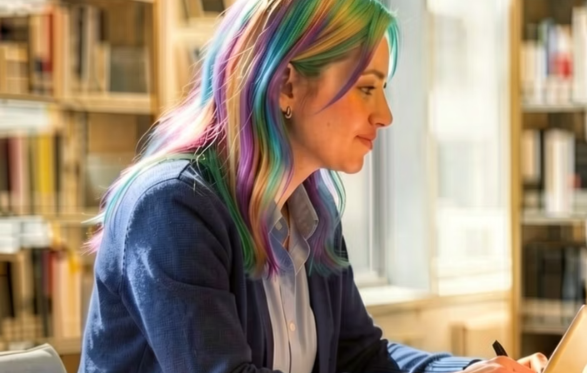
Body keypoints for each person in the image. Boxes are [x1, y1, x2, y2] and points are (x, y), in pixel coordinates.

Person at [77, 0, 548, 372]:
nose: (385, 116)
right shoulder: (171, 208)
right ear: (286, 86)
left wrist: (468, 372)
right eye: (367, 87)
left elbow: (357, 357)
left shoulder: (311, 211)